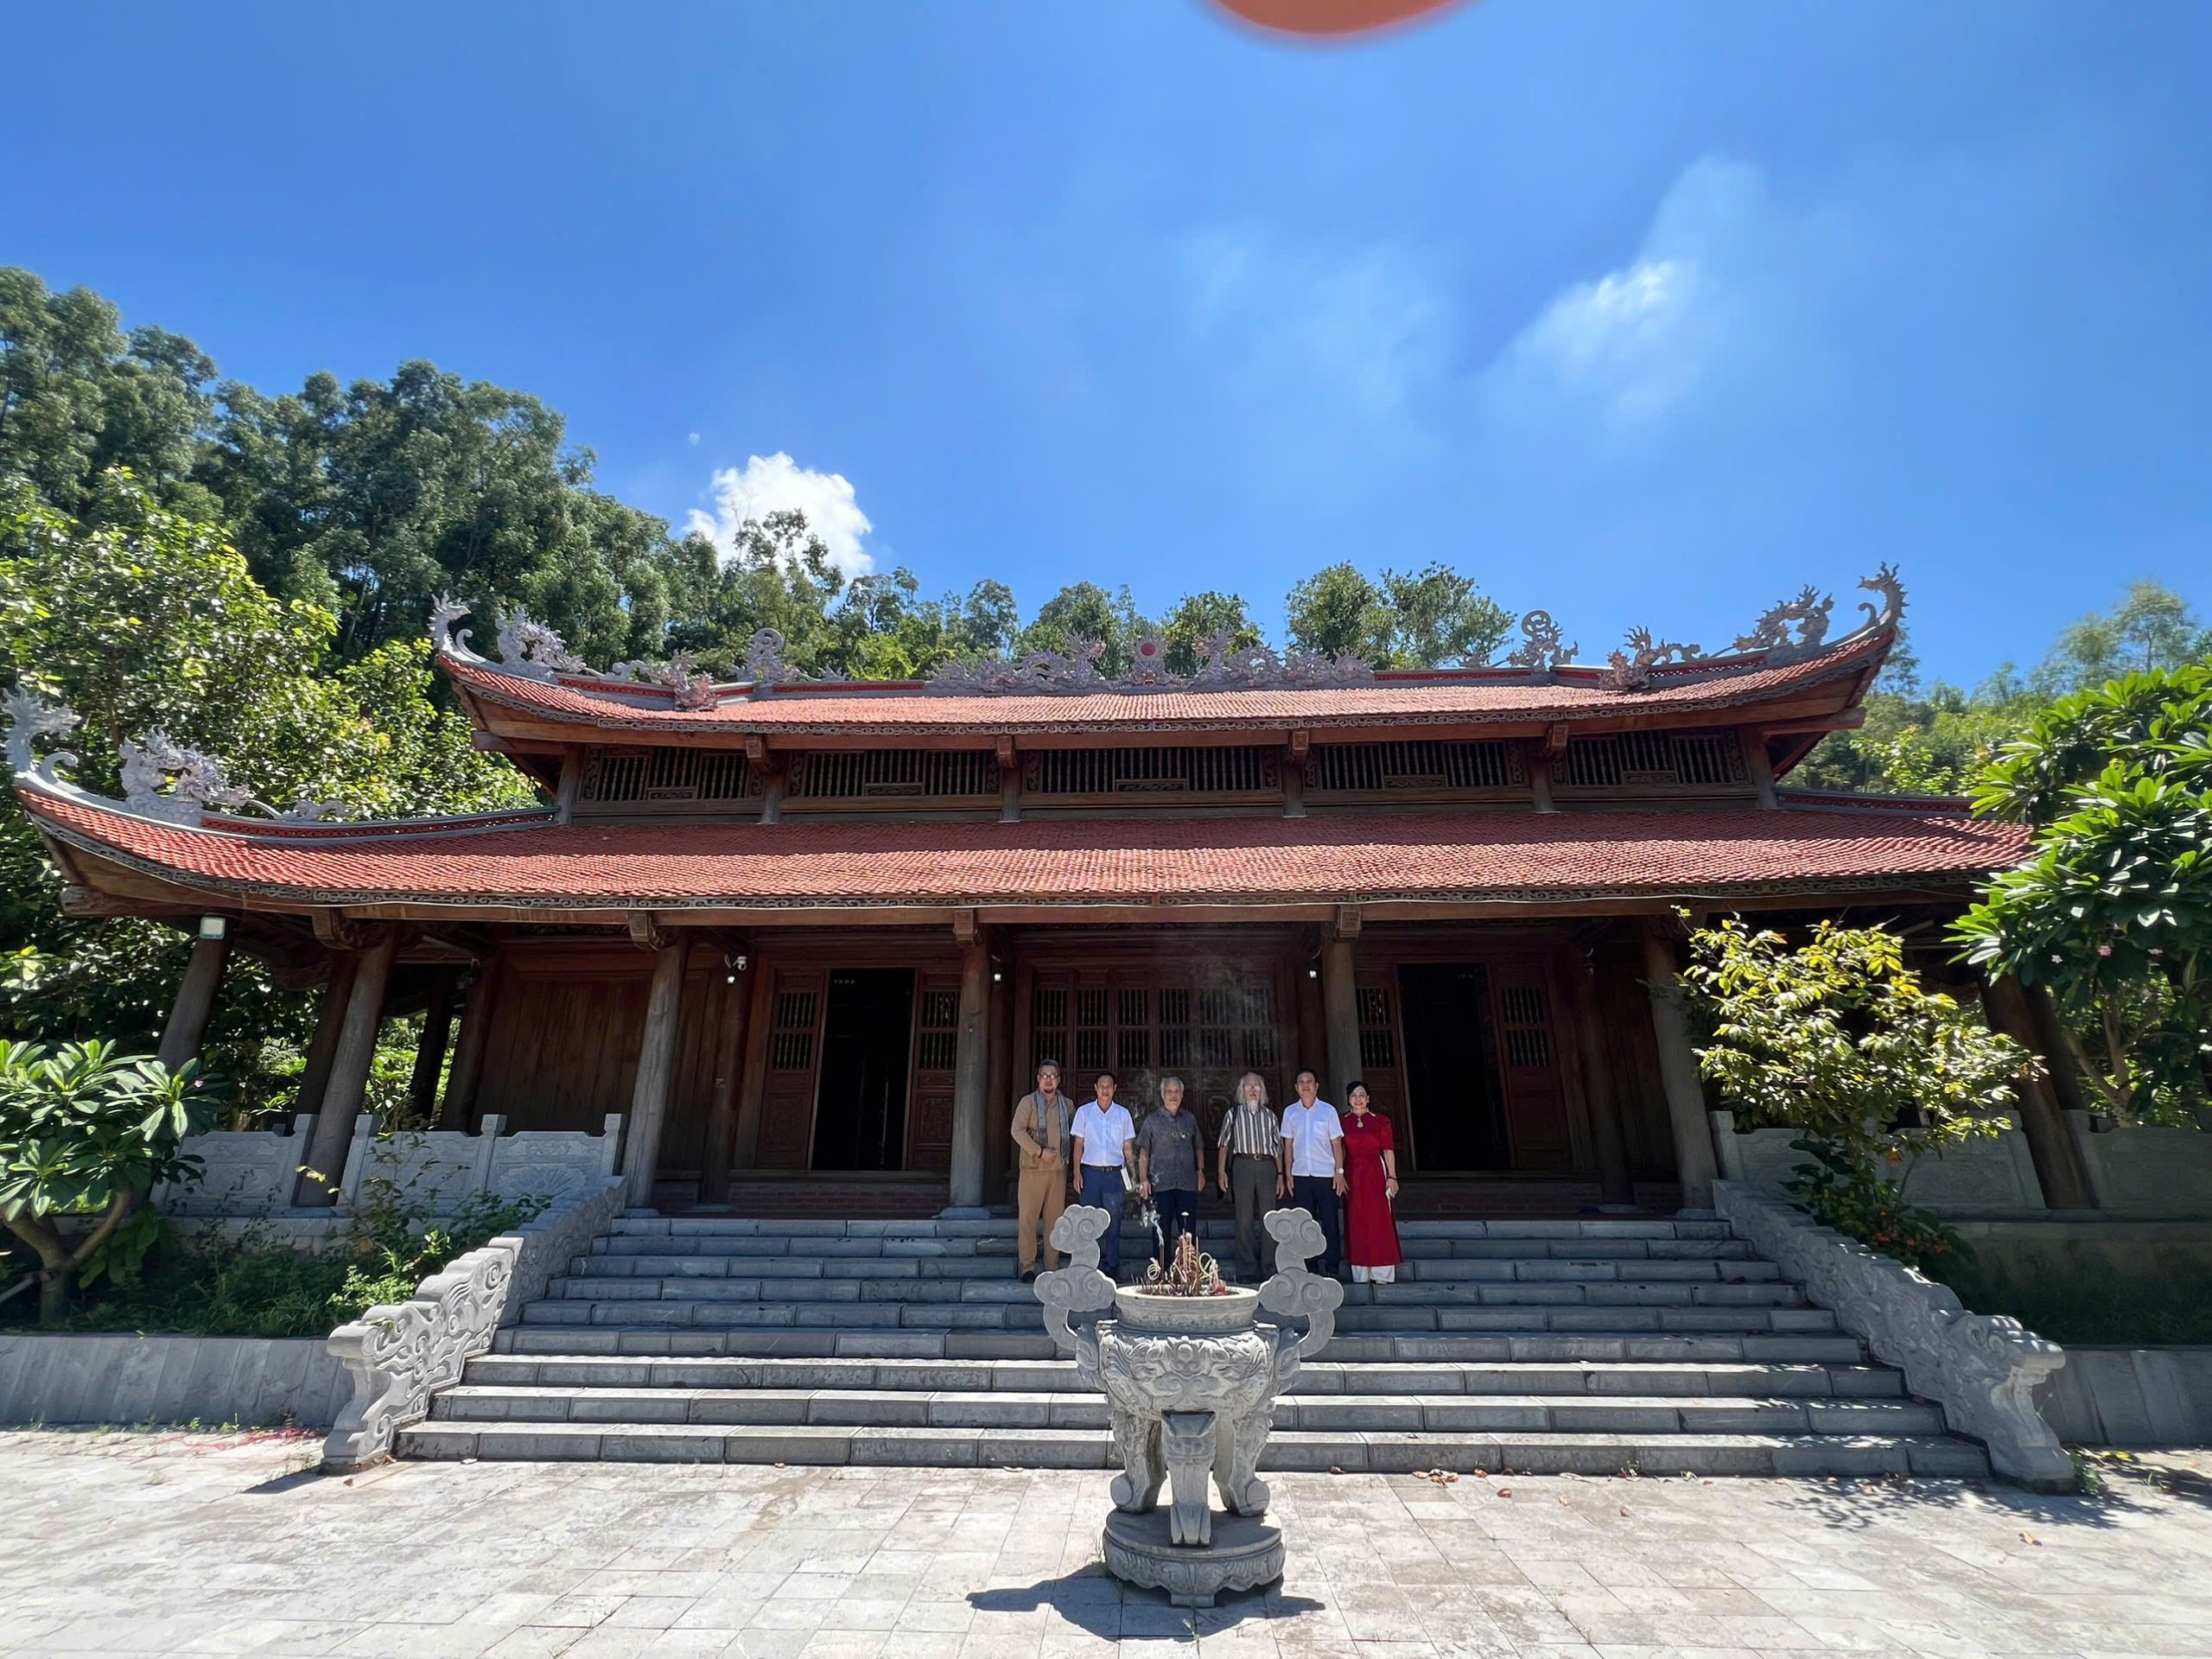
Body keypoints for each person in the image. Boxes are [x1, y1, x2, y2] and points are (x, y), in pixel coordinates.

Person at [1215, 1071, 1283, 1282]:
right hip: (1242, 1165)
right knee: (1243, 1218)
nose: (1253, 1090)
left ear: (1262, 1091)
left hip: (1267, 1166)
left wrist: (1281, 1175)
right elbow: (1223, 1145)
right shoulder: (1233, 1114)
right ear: (1242, 1091)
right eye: (1248, 1086)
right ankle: (1247, 1269)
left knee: (1269, 1217)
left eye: (1257, 1086)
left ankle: (1270, 1266)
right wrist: (1221, 1172)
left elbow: (1278, 1149)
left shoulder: (1270, 1116)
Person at [1010, 1060, 1075, 1281]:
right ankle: (1028, 1267)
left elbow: (1078, 1133)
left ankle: (1051, 1266)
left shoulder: (1067, 1105)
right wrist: (1039, 1151)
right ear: (1038, 1079)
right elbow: (1017, 1131)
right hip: (1033, 1170)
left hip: (1058, 1171)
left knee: (1054, 1222)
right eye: (1044, 1075)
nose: (1048, 1080)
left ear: (1059, 1080)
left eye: (1053, 1076)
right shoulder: (1027, 1103)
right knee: (1028, 1220)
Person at [1279, 1069, 1346, 1277]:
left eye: (1310, 1081)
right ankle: (1310, 1267)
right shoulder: (1290, 1112)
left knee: (1329, 1222)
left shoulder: (1328, 1111)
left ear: (1317, 1086)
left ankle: (1333, 1268)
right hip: (1301, 1176)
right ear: (1296, 1087)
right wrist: (1288, 1174)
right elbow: (1288, 1145)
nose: (1305, 1084)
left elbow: (1337, 1144)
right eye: (1301, 1082)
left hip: (1326, 1176)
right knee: (1304, 1224)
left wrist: (1340, 1172)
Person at [1071, 1071, 1136, 1279]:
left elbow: (1127, 1148)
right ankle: (1088, 1265)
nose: (1105, 1090)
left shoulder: (1123, 1114)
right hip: (1090, 1174)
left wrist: (1133, 1173)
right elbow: (1078, 1145)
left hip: (1114, 1175)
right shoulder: (1084, 1112)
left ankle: (1112, 1265)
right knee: (1088, 1221)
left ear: (1114, 1089)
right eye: (1101, 1086)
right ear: (1096, 1088)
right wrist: (1076, 1172)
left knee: (1114, 1222)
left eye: (1109, 1086)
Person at [1135, 1074, 1203, 1272]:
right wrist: (1143, 1179)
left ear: (1182, 1095)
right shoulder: (1152, 1121)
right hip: (1161, 1185)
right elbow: (1144, 1152)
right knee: (1160, 1230)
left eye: (1176, 1092)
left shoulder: (1189, 1119)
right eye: (1169, 1092)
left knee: (1188, 1230)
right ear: (1162, 1095)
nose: (1173, 1095)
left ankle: (1188, 1272)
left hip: (1187, 1184)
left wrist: (1200, 1171)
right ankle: (1161, 1272)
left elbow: (1198, 1146)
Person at [1340, 1080, 1402, 1284]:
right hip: (1352, 1174)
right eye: (1354, 1096)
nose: (1358, 1099)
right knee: (1356, 1220)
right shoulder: (1342, 1121)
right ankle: (1361, 1273)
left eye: (1361, 1095)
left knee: (1379, 1220)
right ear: (1348, 1099)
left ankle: (1382, 1273)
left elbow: (1388, 1149)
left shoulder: (1380, 1121)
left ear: (1368, 1099)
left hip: (1376, 1172)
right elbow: (1338, 1149)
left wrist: (1392, 1176)